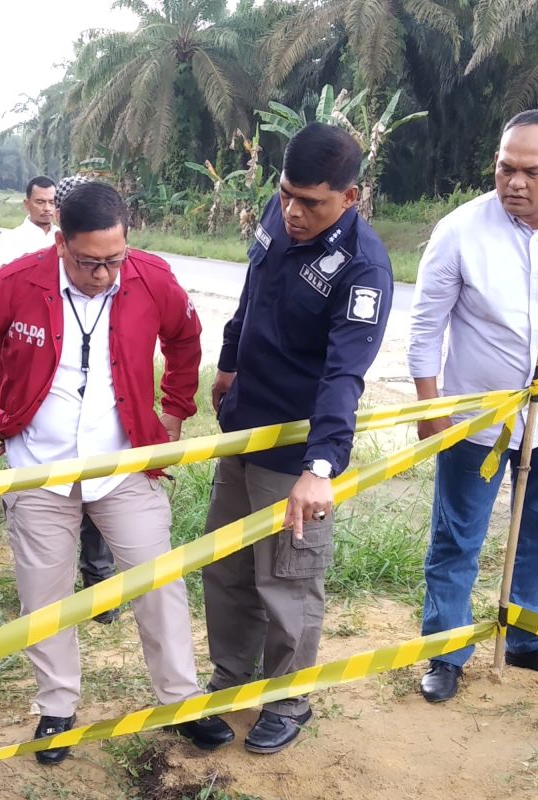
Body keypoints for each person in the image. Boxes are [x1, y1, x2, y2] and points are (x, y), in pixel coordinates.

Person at [0, 180, 234, 764]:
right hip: (37, 465)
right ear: (60, 243)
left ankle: (180, 701)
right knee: (44, 594)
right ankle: (56, 709)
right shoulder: (16, 282)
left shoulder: (152, 279)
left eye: (114, 260)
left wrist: (174, 410)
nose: (103, 275)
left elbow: (185, 340)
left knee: (158, 583)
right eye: (88, 262)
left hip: (124, 463)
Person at [408, 109, 538, 703]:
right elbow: (426, 328)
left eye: (532, 171)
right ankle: (444, 653)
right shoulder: (459, 230)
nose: (515, 183)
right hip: (476, 422)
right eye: (506, 168)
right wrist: (431, 407)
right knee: (457, 537)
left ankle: (528, 637)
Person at [202, 123, 394, 754]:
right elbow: (251, 293)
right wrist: (228, 361)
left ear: (350, 196)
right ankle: (231, 678)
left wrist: (321, 467)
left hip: (296, 451)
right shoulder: (276, 215)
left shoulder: (364, 269)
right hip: (244, 426)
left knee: (286, 580)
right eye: (286, 194)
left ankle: (286, 697)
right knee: (228, 567)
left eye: (311, 202)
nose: (293, 211)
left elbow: (345, 375)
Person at [3, 175, 120, 609]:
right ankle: (46, 590)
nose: (48, 207)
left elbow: (184, 336)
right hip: (41, 401)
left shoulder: (118, 272)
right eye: (43, 201)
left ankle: (99, 580)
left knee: (101, 496)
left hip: (99, 414)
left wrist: (174, 409)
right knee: (45, 510)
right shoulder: (18, 252)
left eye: (54, 202)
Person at [0, 175, 58, 263]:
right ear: (27, 204)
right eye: (40, 202)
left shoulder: (63, 237)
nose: (47, 208)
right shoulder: (13, 239)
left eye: (52, 202)